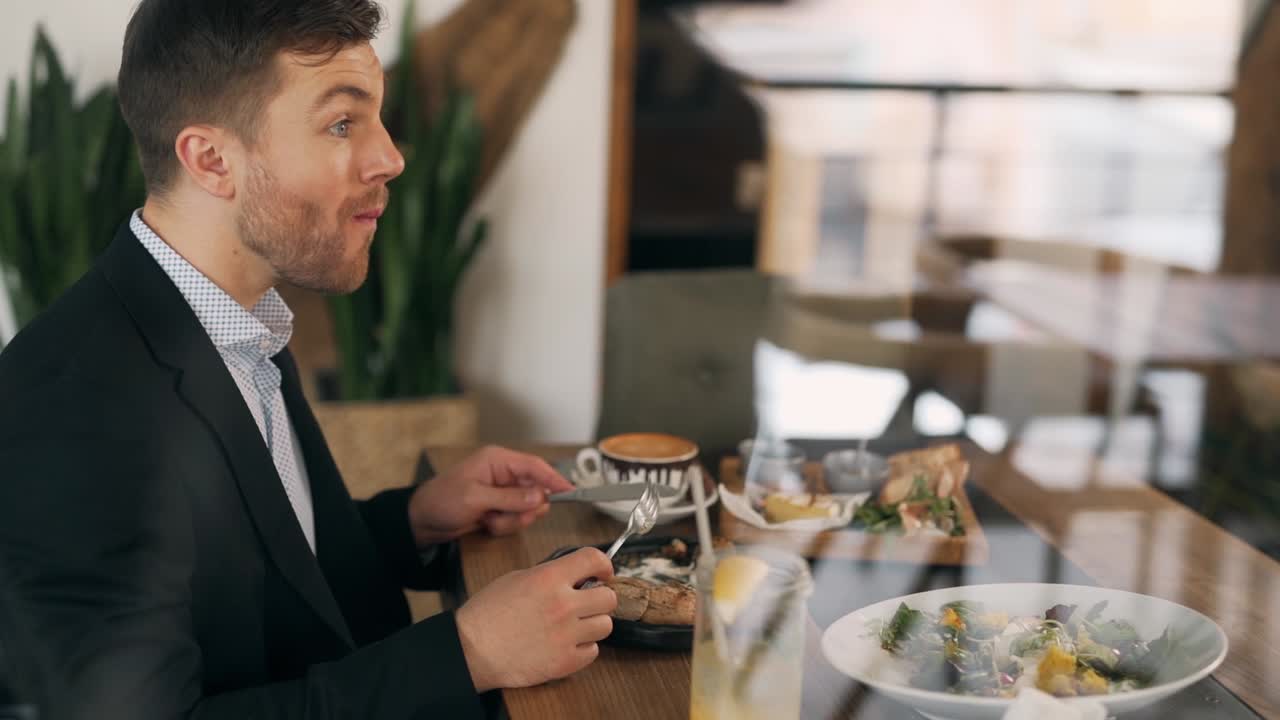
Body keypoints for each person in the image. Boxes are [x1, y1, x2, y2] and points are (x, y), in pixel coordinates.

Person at [0, 1, 617, 717]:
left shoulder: (238, 315)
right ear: (212, 160)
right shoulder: (72, 409)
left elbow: (246, 568)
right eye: (342, 123)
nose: (391, 157)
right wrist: (468, 652)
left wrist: (408, 522)